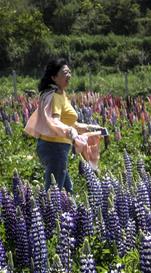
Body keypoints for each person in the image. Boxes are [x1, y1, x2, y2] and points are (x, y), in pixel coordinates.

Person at [24, 59, 103, 192]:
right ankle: (45, 207)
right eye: (65, 72)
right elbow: (54, 121)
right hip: (55, 148)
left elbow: (68, 122)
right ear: (54, 77)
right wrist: (70, 132)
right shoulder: (55, 96)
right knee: (54, 192)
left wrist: (88, 127)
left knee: (67, 191)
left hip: (57, 147)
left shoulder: (60, 94)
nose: (69, 75)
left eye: (69, 72)